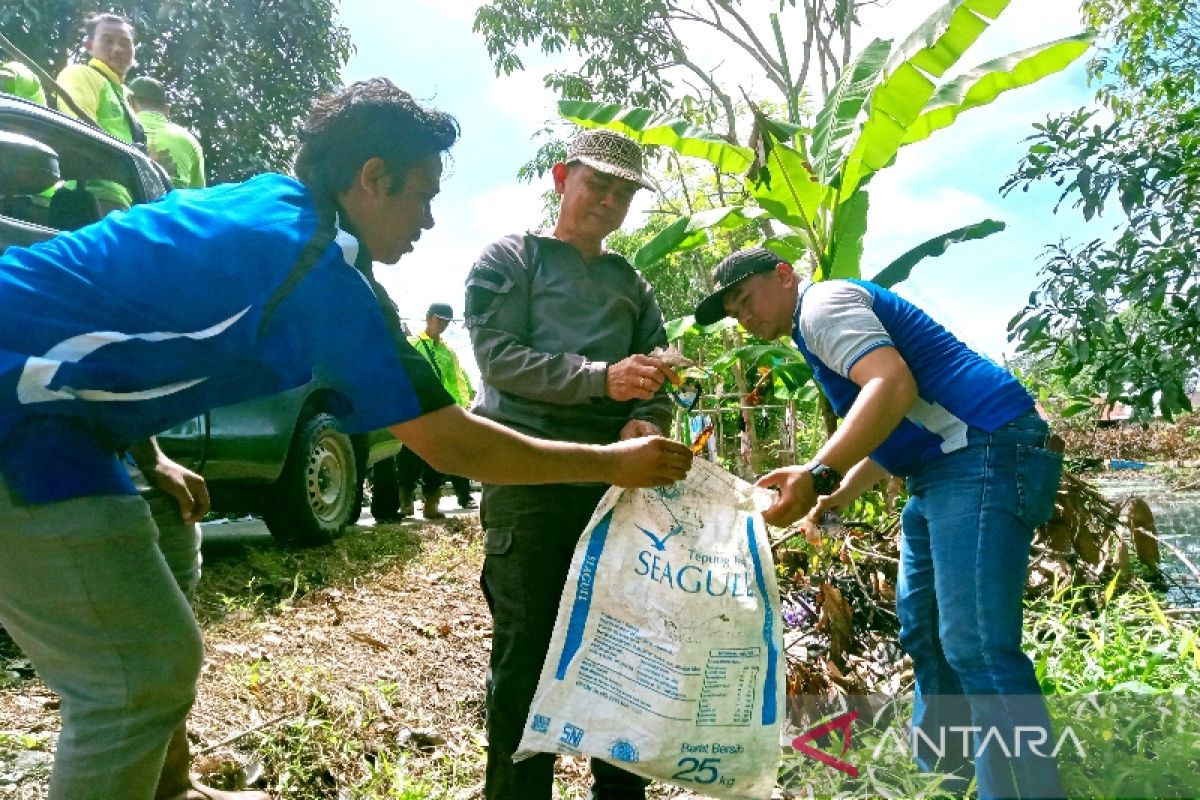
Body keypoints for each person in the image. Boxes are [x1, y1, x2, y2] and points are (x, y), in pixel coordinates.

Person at [0, 78, 692, 800]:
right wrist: (612, 460)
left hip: (64, 410)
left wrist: (153, 455)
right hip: (16, 408)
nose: (428, 220)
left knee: (173, 548)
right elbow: (457, 447)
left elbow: (128, 332)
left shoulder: (274, 206)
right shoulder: (316, 267)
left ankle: (164, 786)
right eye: (422, 195)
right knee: (137, 679)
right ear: (372, 179)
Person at [693, 247, 1065, 800]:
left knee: (978, 646)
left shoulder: (821, 305)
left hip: (983, 449)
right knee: (925, 631)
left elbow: (891, 386)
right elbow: (891, 425)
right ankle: (947, 779)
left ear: (783, 276)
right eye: (734, 312)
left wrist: (819, 473)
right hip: (943, 467)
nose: (743, 317)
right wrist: (835, 491)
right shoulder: (813, 329)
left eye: (746, 300)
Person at [465, 129, 681, 800]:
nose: (608, 202)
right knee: (526, 661)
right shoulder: (512, 258)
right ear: (563, 179)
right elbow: (498, 357)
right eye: (598, 186)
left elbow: (666, 371)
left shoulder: (631, 282)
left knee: (621, 660)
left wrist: (647, 417)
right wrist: (600, 380)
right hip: (529, 478)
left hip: (618, 491)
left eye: (622, 194)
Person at [372, 302, 475, 521]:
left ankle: (431, 504)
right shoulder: (412, 344)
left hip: (437, 413)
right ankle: (406, 500)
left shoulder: (448, 352)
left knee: (435, 461)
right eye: (440, 320)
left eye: (447, 321)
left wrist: (459, 408)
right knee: (408, 459)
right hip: (411, 411)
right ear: (428, 318)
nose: (443, 325)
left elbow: (456, 382)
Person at [55, 12, 145, 149]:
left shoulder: (123, 94)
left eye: (125, 43)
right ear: (89, 46)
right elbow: (80, 134)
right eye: (107, 41)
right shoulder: (81, 74)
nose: (118, 49)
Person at [128, 76, 205, 190]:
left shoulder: (119, 131)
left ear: (130, 104)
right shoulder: (189, 140)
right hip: (175, 207)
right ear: (167, 110)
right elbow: (198, 196)